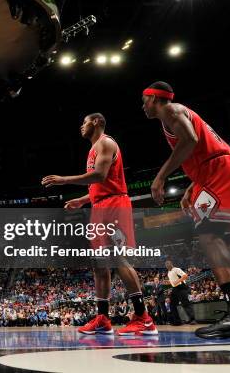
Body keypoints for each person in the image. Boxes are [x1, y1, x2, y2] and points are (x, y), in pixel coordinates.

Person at [141, 82, 230, 339]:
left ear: (154, 98)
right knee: (229, 243)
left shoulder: (171, 110)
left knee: (209, 235)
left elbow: (190, 140)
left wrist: (160, 177)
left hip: (218, 172)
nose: (143, 106)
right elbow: (199, 149)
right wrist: (192, 185)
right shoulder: (179, 112)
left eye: (144, 101)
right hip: (216, 172)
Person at [42, 113, 157, 336]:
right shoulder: (93, 148)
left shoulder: (106, 142)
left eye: (84, 122)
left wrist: (64, 180)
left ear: (96, 122)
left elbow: (100, 175)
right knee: (99, 263)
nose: (81, 126)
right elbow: (99, 184)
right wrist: (83, 200)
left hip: (114, 204)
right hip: (100, 205)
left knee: (118, 257)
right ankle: (103, 318)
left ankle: (143, 318)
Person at [165, 260, 196, 325]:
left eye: (168, 264)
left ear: (171, 264)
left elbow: (185, 276)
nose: (167, 265)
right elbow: (173, 282)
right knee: (172, 304)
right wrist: (168, 282)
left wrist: (177, 281)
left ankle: (192, 319)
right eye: (166, 265)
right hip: (175, 288)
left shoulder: (176, 269)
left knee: (185, 303)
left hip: (181, 287)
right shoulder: (168, 272)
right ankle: (177, 321)